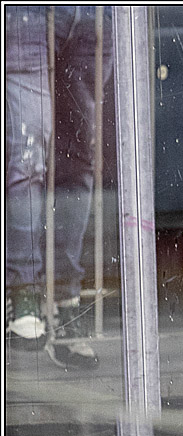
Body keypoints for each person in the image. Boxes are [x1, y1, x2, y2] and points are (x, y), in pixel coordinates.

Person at [5, 5, 111, 368]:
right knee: (28, 155)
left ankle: (63, 303)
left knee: (77, 160)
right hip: (26, 12)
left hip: (96, 13)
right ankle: (25, 298)